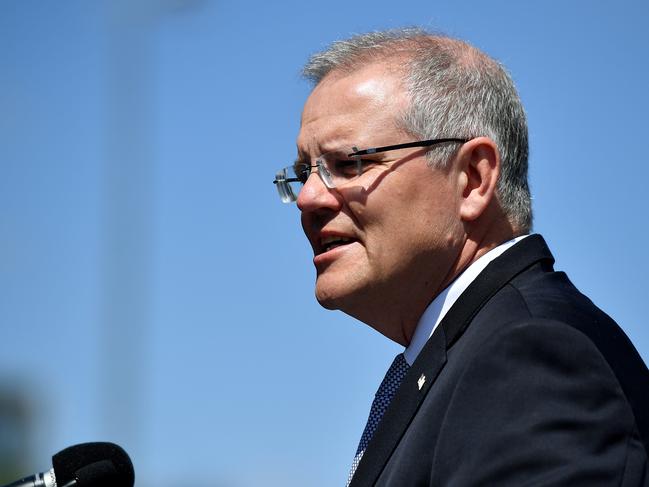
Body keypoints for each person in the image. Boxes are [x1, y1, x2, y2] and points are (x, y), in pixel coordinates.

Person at [273, 28, 649, 486]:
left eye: (349, 163)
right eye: (301, 173)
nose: (310, 197)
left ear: (472, 178)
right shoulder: (469, 354)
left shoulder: (529, 356)